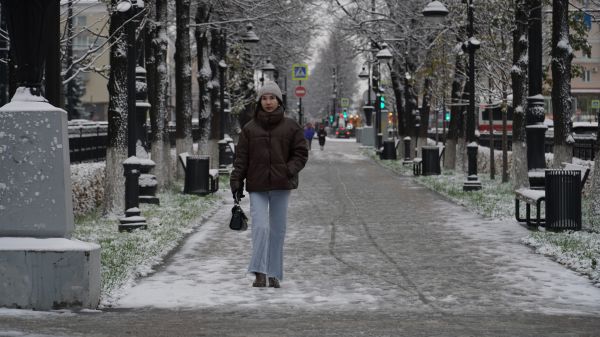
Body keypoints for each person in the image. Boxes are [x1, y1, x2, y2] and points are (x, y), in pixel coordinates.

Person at [230, 80, 309, 288]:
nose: (268, 102)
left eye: (272, 98)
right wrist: (236, 179)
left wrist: (288, 170)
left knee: (277, 230)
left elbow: (301, 153)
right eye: (264, 98)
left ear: (278, 101)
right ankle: (259, 271)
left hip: (282, 185)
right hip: (257, 184)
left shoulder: (291, 126)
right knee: (261, 228)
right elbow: (241, 157)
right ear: (259, 102)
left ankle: (273, 272)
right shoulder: (249, 128)